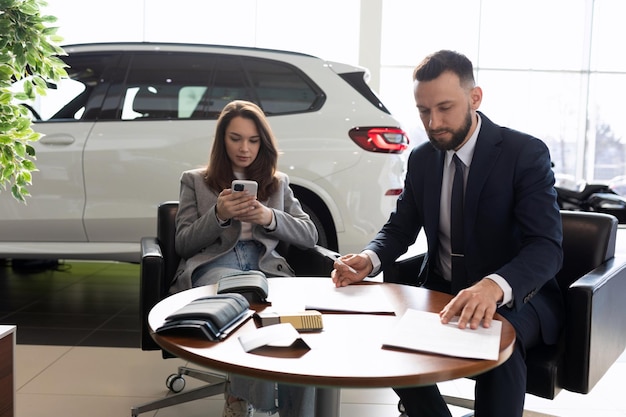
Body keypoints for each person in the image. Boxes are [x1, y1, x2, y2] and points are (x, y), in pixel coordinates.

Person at [331, 50, 565, 417]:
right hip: (440, 289)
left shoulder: (523, 153)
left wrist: (492, 286)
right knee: (383, 338)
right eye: (423, 111)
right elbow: (401, 226)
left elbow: (547, 247)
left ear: (475, 98)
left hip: (518, 296)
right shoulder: (423, 158)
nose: (433, 122)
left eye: (444, 108)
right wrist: (370, 257)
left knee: (497, 341)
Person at [170, 100, 318, 417]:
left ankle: (294, 412)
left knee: (296, 324)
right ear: (222, 140)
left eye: (253, 140)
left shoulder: (279, 183)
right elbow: (183, 244)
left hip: (266, 267)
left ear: (262, 143)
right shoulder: (195, 180)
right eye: (235, 138)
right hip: (215, 264)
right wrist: (218, 215)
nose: (244, 149)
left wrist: (269, 216)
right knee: (244, 312)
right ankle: (257, 408)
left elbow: (309, 235)